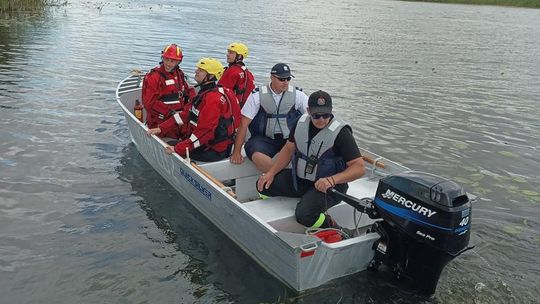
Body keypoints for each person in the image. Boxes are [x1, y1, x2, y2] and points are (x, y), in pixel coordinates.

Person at [256, 90, 365, 233]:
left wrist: (332, 180)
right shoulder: (299, 123)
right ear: (308, 111)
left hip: (330, 187)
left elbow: (359, 168)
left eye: (326, 115)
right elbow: (288, 150)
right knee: (263, 185)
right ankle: (269, 216)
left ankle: (334, 227)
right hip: (302, 180)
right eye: (316, 115)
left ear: (331, 111)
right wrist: (270, 173)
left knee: (304, 215)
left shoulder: (342, 133)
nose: (321, 120)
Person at [147, 58, 241, 162]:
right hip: (216, 145)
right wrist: (161, 128)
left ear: (210, 76)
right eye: (198, 69)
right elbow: (186, 114)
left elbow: (205, 133)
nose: (196, 71)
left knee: (167, 146)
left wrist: (178, 149)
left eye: (201, 70)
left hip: (213, 150)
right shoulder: (210, 92)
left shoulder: (212, 99)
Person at [229, 63, 308, 172]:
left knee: (302, 152)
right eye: (281, 79)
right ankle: (279, 177)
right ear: (272, 77)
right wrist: (236, 152)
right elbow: (244, 124)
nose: (285, 82)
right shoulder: (257, 95)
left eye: (288, 78)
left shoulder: (298, 95)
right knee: (256, 154)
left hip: (289, 139)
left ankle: (274, 176)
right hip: (263, 139)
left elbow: (312, 117)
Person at [141, 43, 195, 138]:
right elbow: (149, 103)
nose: (168, 63)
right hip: (161, 122)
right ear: (162, 58)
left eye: (173, 61)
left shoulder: (179, 74)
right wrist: (171, 113)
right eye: (166, 59)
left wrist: (195, 102)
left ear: (179, 62)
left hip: (179, 121)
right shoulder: (154, 77)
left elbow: (187, 90)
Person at [218, 42, 255, 108]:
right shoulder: (247, 72)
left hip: (230, 107)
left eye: (231, 53)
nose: (227, 55)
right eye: (228, 52)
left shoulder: (232, 71)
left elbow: (220, 92)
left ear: (239, 56)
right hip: (244, 107)